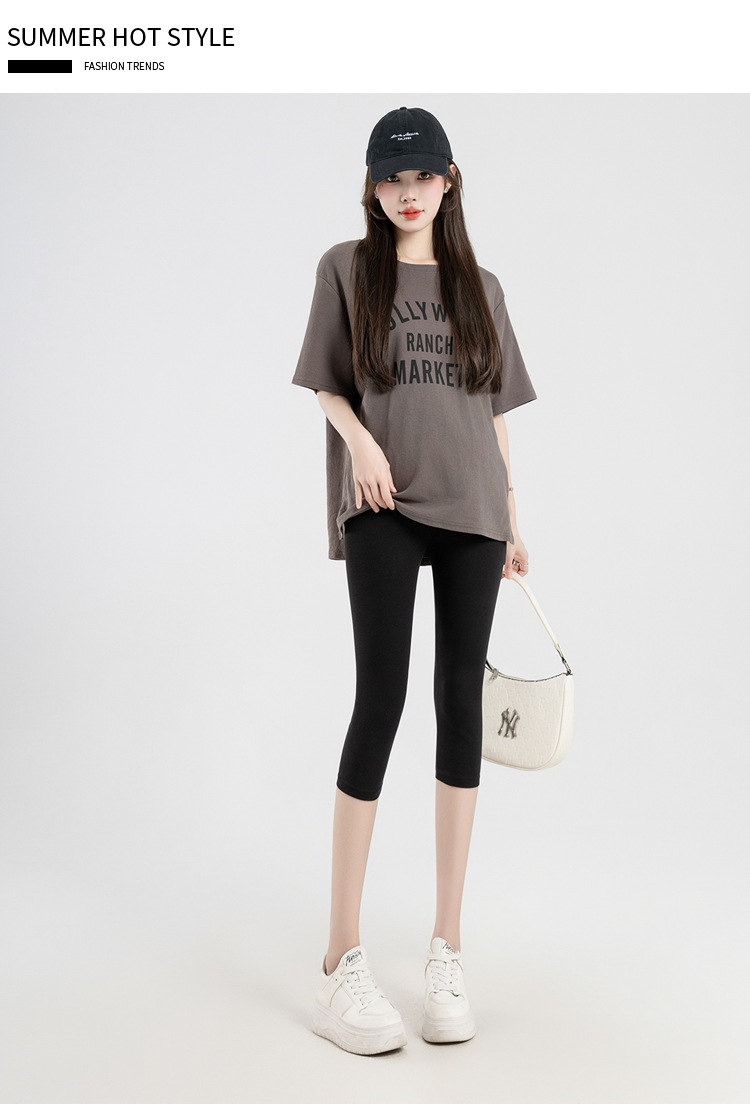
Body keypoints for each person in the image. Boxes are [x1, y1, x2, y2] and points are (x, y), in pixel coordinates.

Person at [291, 106, 538, 1056]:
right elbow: (328, 383)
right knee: (381, 700)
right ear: (372, 185)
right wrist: (359, 443)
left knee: (459, 704)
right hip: (384, 501)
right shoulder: (346, 270)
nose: (407, 193)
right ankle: (339, 957)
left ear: (448, 180)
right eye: (392, 178)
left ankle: (447, 947)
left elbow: (493, 409)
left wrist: (512, 512)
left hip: (473, 507)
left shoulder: (482, 286)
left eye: (422, 176)